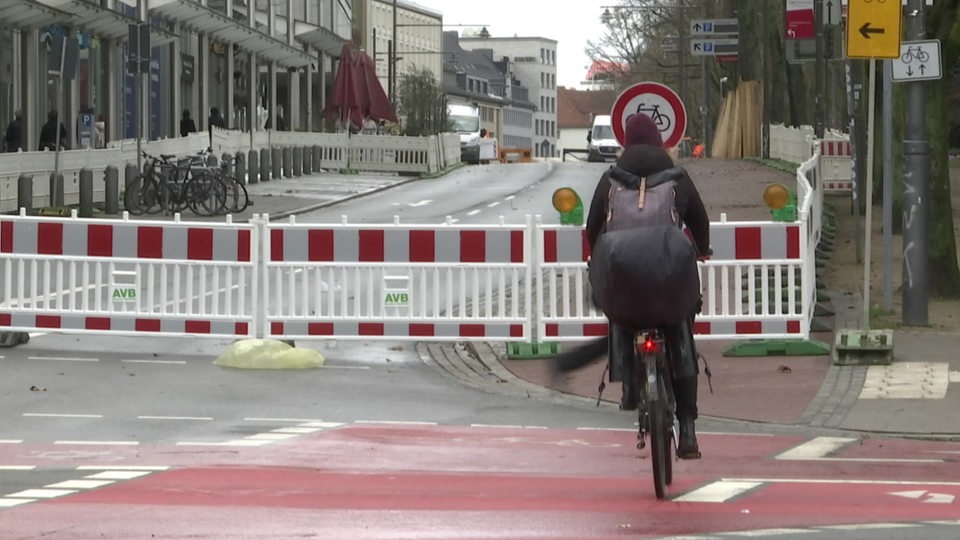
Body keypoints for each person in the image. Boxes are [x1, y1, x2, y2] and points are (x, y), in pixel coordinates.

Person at [583, 113, 710, 460]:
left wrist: (598, 257)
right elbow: (699, 219)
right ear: (658, 142)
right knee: (680, 329)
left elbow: (593, 226)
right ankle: (687, 431)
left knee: (621, 312)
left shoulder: (610, 180)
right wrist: (703, 249)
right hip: (669, 277)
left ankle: (627, 386)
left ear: (626, 144)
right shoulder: (677, 178)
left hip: (624, 275)